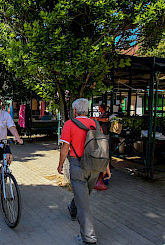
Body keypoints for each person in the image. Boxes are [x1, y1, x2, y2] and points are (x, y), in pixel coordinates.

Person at [57, 98, 111, 245]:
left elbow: (65, 148)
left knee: (84, 203)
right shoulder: (95, 124)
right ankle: (72, 209)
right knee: (83, 196)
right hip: (94, 166)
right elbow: (102, 147)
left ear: (74, 111)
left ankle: (89, 239)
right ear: (86, 110)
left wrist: (60, 164)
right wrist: (106, 168)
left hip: (78, 165)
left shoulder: (69, 124)